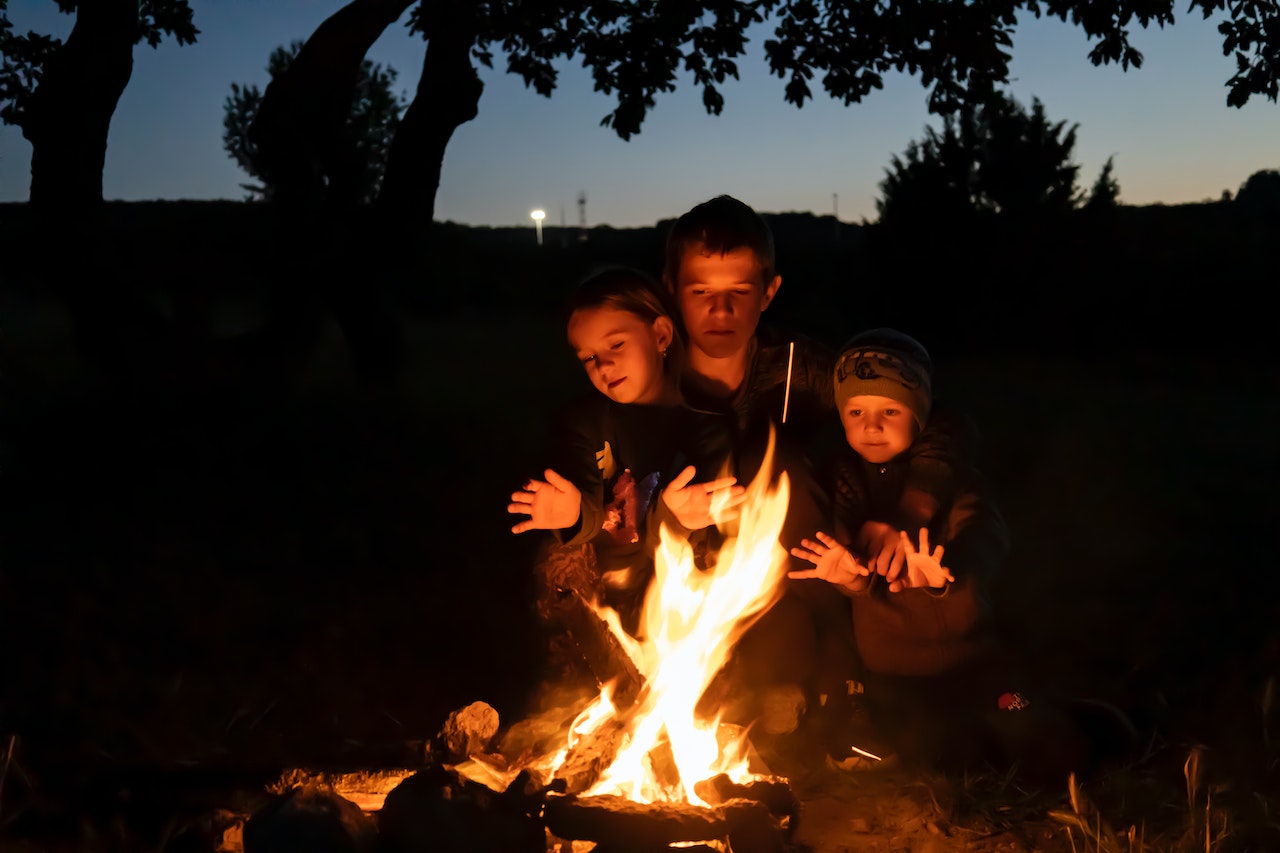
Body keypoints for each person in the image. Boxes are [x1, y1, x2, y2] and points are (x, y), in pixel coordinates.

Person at [789, 327, 1133, 783]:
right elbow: (858, 576)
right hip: (896, 677)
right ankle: (974, 750)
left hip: (976, 668)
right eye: (856, 411)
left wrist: (943, 577)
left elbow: (986, 542)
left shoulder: (954, 483)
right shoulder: (847, 489)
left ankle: (1074, 723)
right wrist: (848, 579)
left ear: (921, 413)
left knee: (1028, 724)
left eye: (890, 410)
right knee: (941, 752)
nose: (871, 425)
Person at [507, 265, 740, 681]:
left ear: (661, 336)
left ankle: (693, 686)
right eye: (589, 357)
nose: (604, 364)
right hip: (600, 585)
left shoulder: (704, 427)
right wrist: (574, 514)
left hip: (663, 585)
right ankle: (568, 689)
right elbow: (582, 493)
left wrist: (675, 520)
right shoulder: (585, 421)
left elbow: (712, 527)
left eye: (616, 344)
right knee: (553, 558)